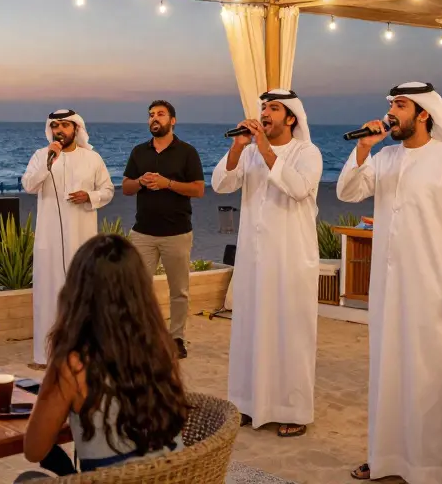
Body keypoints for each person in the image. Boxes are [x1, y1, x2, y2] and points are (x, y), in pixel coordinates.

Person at [336, 82, 442, 483]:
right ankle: (386, 458)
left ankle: (432, 467)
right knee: (388, 373)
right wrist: (363, 149)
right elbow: (347, 192)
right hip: (388, 288)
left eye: (400, 105)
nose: (391, 112)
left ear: (423, 113)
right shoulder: (384, 157)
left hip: (434, 288)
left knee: (431, 375)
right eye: (391, 105)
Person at [19, 234, 188, 479]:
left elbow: (33, 449)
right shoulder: (161, 349)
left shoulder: (74, 365)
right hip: (174, 477)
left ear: (78, 293)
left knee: (27, 479)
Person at [212, 89, 322, 438]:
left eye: (274, 108)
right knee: (251, 329)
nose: (265, 113)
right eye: (263, 108)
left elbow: (299, 188)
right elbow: (220, 184)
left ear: (291, 118)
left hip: (291, 257)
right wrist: (238, 147)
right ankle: (248, 402)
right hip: (254, 257)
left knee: (290, 333)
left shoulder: (308, 152)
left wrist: (263, 150)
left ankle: (293, 410)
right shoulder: (248, 151)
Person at [21, 110, 115, 368]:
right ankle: (44, 357)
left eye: (64, 125)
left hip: (81, 239)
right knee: (47, 295)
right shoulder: (42, 156)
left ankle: (83, 354)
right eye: (54, 126)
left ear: (76, 129)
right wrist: (48, 162)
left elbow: (108, 190)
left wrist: (90, 197)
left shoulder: (92, 158)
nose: (59, 130)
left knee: (82, 295)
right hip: (48, 242)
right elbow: (28, 185)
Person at [121, 100, 205, 359]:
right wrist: (140, 182)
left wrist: (167, 183)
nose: (154, 118)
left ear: (173, 120)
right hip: (142, 233)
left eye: (160, 114)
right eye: (150, 115)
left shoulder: (187, 152)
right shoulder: (139, 152)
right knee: (136, 289)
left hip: (177, 233)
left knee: (178, 290)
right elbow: (125, 187)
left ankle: (177, 338)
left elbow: (199, 189)